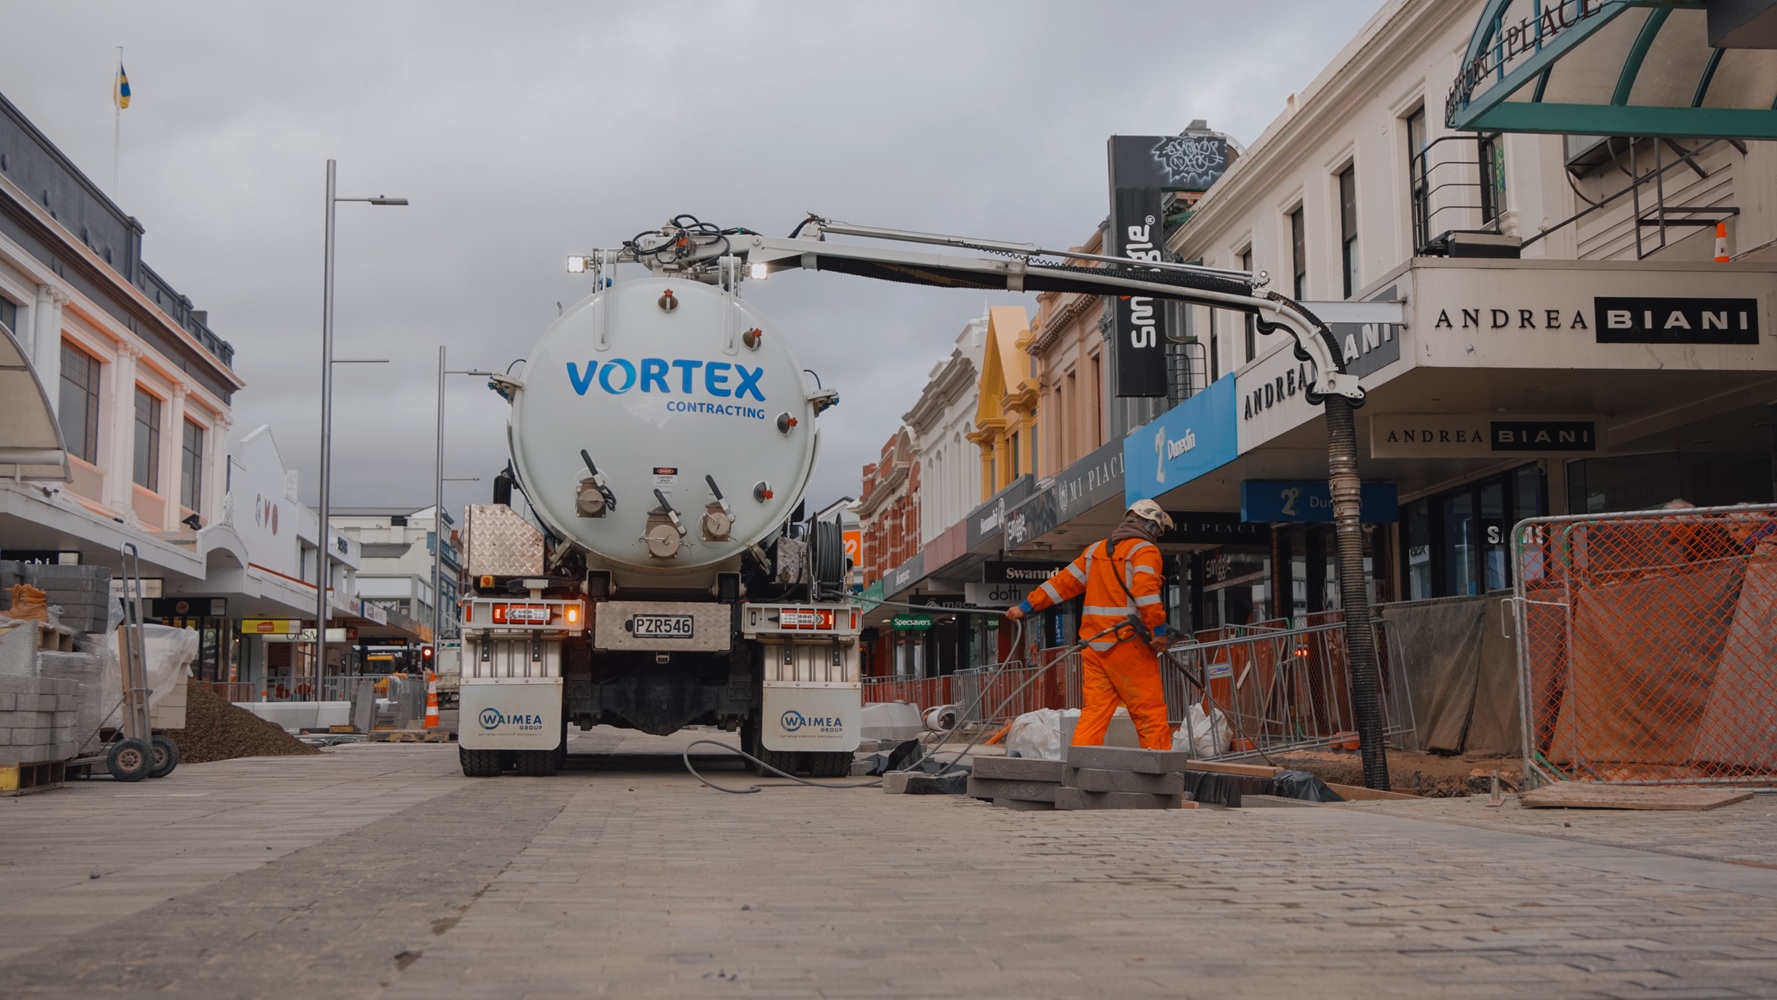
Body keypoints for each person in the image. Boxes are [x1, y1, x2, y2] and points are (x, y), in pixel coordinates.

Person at [1005, 499, 1175, 749]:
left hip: (1095, 648)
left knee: (1095, 713)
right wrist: (1158, 632)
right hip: (1129, 646)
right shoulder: (1144, 551)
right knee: (1149, 712)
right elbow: (1146, 593)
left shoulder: (1095, 551)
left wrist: (1026, 607)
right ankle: (1163, 774)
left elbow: (1061, 584)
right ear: (1151, 527)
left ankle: (1080, 771)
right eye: (1158, 532)